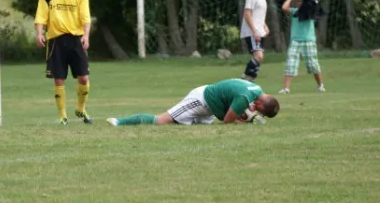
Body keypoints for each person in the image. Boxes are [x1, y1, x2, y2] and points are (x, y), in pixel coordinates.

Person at [34, 0, 92, 125]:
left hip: (76, 39)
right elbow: (40, 17)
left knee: (83, 78)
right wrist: (39, 33)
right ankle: (63, 116)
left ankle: (81, 109)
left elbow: (85, 18)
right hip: (55, 41)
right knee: (59, 79)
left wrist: (86, 36)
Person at [106, 78, 280, 126]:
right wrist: (246, 122)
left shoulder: (257, 89)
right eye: (260, 112)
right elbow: (227, 121)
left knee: (184, 128)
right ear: (262, 106)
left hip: (210, 108)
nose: (257, 113)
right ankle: (119, 122)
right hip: (201, 100)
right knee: (162, 121)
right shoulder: (246, 98)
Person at [279, 0, 325, 94]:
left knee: (313, 65)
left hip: (309, 41)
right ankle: (286, 88)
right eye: (298, 0)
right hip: (295, 41)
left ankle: (320, 86)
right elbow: (284, 8)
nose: (299, 2)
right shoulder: (295, 11)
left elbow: (316, 6)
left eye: (302, 0)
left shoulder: (311, 11)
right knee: (291, 64)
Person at [240, 0, 275, 82]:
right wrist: (254, 30)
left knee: (259, 58)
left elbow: (258, 16)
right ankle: (244, 77)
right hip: (252, 32)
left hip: (260, 32)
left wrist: (265, 26)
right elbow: (247, 14)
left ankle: (250, 81)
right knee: (259, 56)